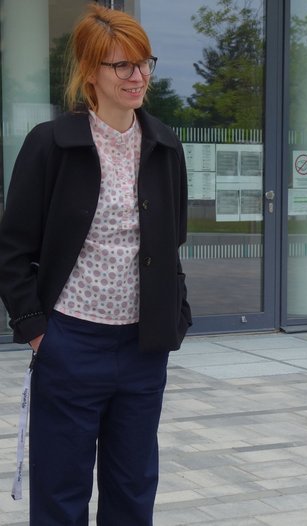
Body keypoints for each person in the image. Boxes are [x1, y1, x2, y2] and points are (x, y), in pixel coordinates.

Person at [0, 5, 191, 524]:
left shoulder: (165, 147)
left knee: (133, 492)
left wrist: (176, 318)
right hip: (70, 343)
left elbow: (172, 241)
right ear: (89, 71)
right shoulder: (51, 145)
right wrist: (37, 330)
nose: (138, 76)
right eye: (121, 65)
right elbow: (13, 248)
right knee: (61, 494)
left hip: (142, 349)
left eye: (144, 63)